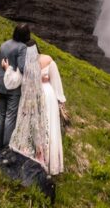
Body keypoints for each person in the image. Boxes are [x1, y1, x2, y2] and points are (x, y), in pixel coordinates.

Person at [5, 42, 67, 176]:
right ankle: (50, 163)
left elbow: (15, 81)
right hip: (48, 95)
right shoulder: (48, 60)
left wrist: (7, 69)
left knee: (36, 127)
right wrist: (60, 100)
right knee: (49, 126)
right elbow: (56, 82)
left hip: (33, 97)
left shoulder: (25, 64)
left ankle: (38, 158)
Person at [0, 23, 30, 150]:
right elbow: (22, 67)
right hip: (13, 87)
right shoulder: (22, 47)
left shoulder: (3, 45)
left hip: (1, 84)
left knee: (1, 115)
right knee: (10, 116)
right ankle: (6, 146)